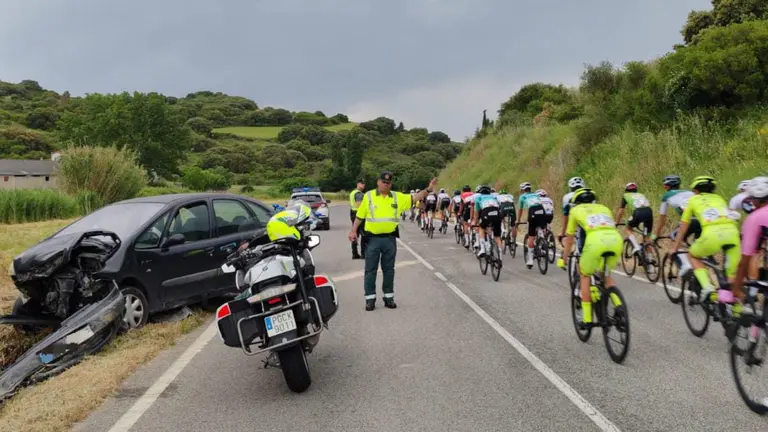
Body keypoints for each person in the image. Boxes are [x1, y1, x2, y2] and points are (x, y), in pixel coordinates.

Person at [349, 171, 437, 311]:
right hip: (372, 239)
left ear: (391, 184)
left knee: (389, 270)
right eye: (383, 182)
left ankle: (389, 298)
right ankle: (370, 299)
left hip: (390, 240)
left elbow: (415, 198)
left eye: (388, 182)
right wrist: (353, 231)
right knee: (370, 270)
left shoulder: (397, 197)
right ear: (378, 182)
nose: (386, 184)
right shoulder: (369, 196)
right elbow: (360, 216)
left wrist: (428, 189)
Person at [670, 176, 741, 310]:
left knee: (693, 255)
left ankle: (707, 287)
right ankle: (738, 316)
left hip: (712, 234)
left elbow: (684, 227)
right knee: (732, 279)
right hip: (732, 234)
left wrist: (675, 247)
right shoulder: (719, 198)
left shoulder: (693, 200)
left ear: (696, 190)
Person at [557, 188, 624, 328]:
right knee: (605, 275)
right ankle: (619, 305)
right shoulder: (604, 208)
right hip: (616, 240)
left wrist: (564, 258)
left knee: (584, 274)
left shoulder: (575, 211)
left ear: (576, 202)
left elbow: (570, 240)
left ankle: (587, 319)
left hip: (595, 241)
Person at [731, 176, 768, 307]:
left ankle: (752, 291)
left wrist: (736, 287)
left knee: (754, 256)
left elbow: (745, 260)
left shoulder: (754, 218)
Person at [652, 175, 698, 274]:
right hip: (703, 221)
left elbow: (662, 220)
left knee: (675, 240)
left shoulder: (667, 196)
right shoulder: (690, 192)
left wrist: (656, 235)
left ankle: (686, 266)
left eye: (664, 186)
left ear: (667, 186)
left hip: (689, 221)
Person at [614, 182, 653, 255]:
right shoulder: (641, 195)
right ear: (636, 190)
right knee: (646, 237)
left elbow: (621, 210)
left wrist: (617, 221)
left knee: (628, 228)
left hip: (638, 212)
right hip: (649, 212)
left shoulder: (625, 195)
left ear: (626, 190)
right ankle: (650, 258)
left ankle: (636, 246)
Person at [515, 182, 545, 268]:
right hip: (542, 210)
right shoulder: (536, 195)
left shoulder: (522, 197)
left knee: (531, 236)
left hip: (533, 211)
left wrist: (518, 220)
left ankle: (530, 260)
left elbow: (520, 210)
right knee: (540, 226)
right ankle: (542, 237)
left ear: (523, 190)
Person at [559, 177, 587, 260]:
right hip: (590, 222)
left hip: (576, 222)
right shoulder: (589, 194)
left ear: (570, 187)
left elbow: (565, 215)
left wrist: (563, 233)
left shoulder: (567, 197)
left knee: (575, 243)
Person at [473, 185, 503, 257]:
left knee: (481, 227)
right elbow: (500, 206)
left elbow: (476, 213)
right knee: (497, 236)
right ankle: (500, 257)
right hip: (497, 213)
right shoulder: (494, 197)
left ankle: (483, 249)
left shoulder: (478, 198)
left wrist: (475, 222)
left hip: (486, 212)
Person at [349, 178, 367, 259]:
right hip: (359, 215)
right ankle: (364, 253)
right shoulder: (359, 194)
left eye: (364, 183)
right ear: (358, 184)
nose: (363, 185)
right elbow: (359, 205)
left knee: (355, 233)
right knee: (364, 234)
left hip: (353, 213)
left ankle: (354, 253)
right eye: (361, 183)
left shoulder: (353, 192)